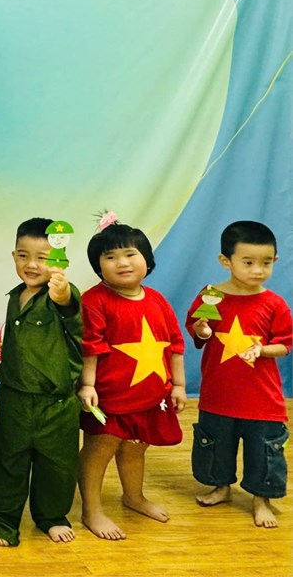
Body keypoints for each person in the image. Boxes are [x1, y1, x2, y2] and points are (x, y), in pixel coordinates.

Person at [77, 216, 186, 541]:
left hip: (151, 396)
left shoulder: (157, 300)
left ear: (147, 260)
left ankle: (134, 496)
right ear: (98, 267)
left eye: (129, 254)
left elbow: (175, 345)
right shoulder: (94, 300)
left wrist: (179, 385)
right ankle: (91, 509)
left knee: (137, 448)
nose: (122, 263)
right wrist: (87, 385)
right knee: (100, 448)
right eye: (110, 257)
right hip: (110, 398)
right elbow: (91, 347)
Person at [0, 218, 82, 546]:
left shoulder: (61, 293)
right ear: (14, 256)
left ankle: (51, 516)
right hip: (15, 396)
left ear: (59, 260)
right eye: (23, 256)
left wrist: (61, 290)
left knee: (58, 464)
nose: (32, 264)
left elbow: (68, 304)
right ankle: (0, 519)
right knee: (6, 459)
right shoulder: (16, 296)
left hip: (56, 402)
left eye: (43, 257)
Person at [186, 220, 290, 529]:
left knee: (264, 451)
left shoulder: (274, 303)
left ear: (275, 260)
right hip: (218, 394)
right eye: (248, 262)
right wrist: (202, 329)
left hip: (262, 399)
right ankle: (221, 487)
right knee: (216, 445)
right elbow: (198, 332)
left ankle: (261, 499)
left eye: (266, 263)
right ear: (225, 261)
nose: (258, 270)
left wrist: (263, 350)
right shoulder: (211, 295)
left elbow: (285, 344)